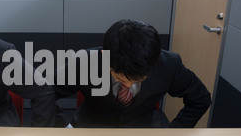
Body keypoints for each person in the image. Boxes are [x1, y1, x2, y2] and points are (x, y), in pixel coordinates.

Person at [54, 19, 211, 128]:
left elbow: (200, 98)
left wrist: (174, 132)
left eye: (138, 80)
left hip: (144, 133)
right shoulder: (85, 62)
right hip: (90, 130)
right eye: (119, 78)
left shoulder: (169, 64)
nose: (128, 85)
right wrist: (63, 126)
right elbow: (46, 92)